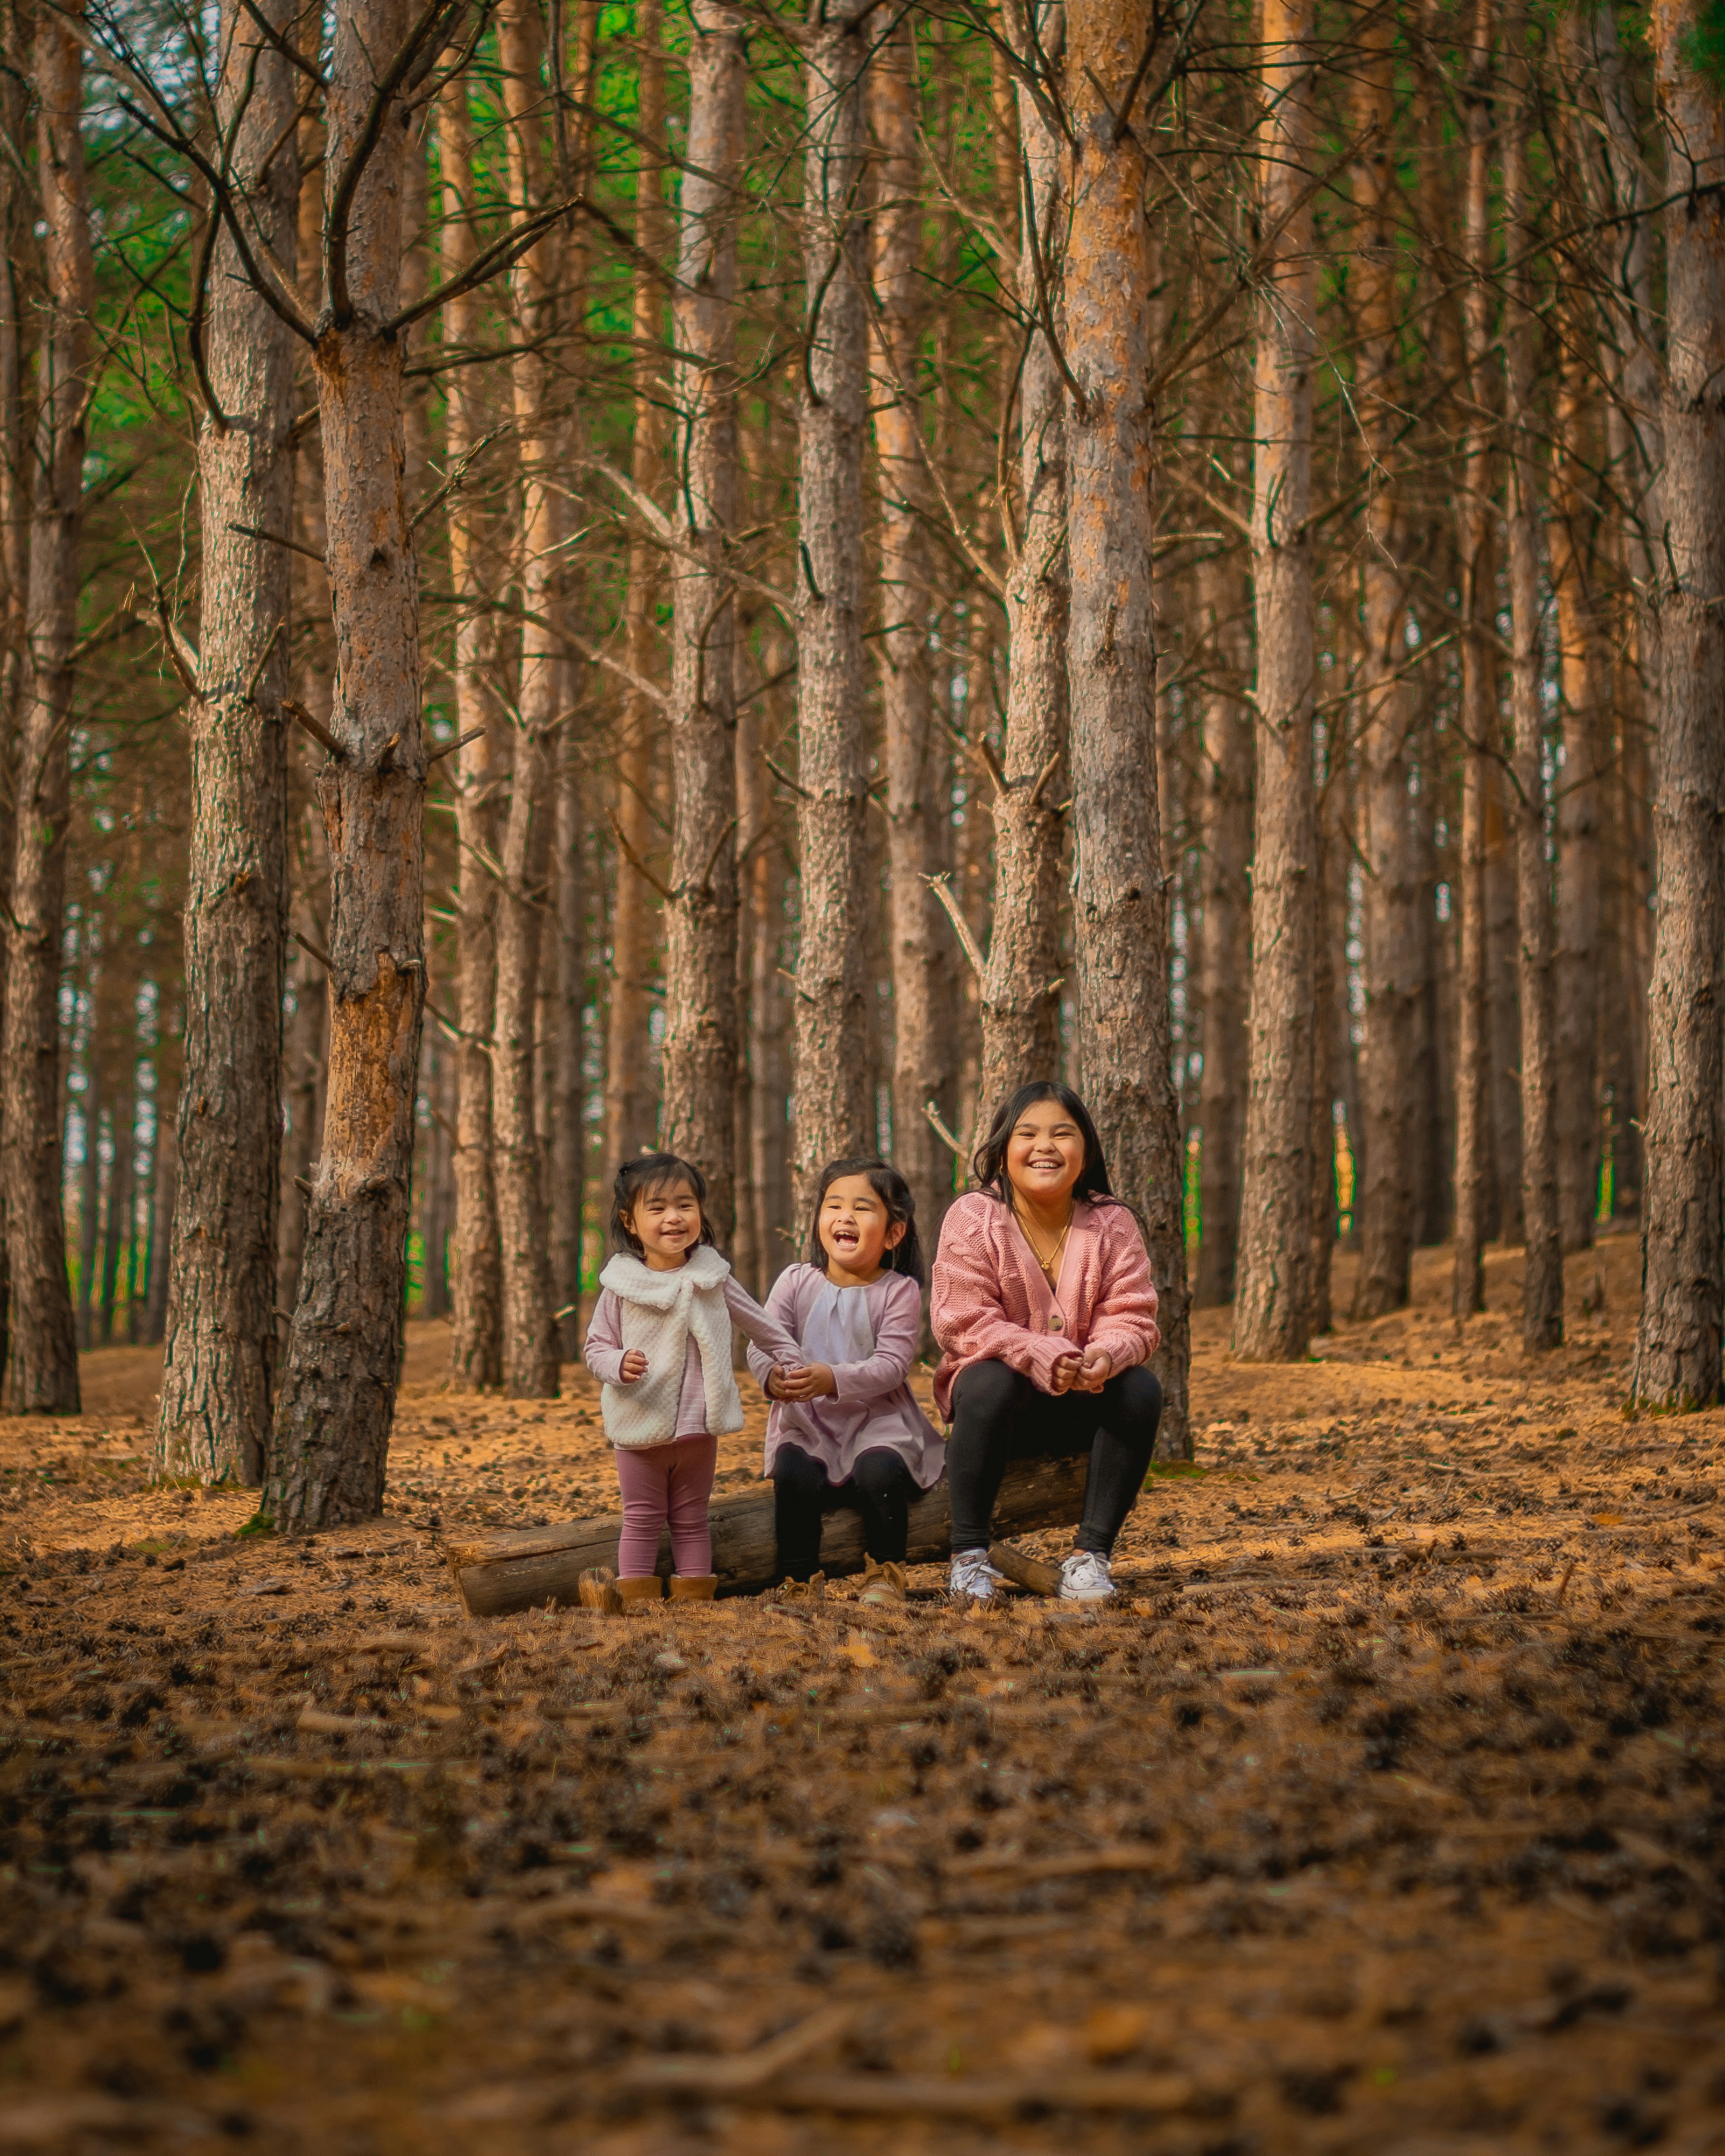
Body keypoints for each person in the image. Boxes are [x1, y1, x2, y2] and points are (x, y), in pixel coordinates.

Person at [930, 1081, 1163, 1606]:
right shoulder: (973, 1217)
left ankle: (1090, 1557)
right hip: (995, 1413)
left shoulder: (1112, 1222)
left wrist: (1105, 1356)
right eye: (1027, 1133)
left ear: (1085, 1150)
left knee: (1141, 1390)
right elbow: (959, 1320)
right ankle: (968, 1558)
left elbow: (1134, 1316)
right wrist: (1037, 1353)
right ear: (1003, 1150)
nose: (1045, 1146)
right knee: (988, 1379)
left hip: (1082, 1405)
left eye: (1062, 1133)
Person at [583, 1153, 803, 1604]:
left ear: (701, 1212)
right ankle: (638, 1600)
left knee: (691, 1516)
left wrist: (790, 1359)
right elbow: (595, 1348)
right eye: (657, 1207)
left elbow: (761, 1325)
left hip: (699, 1426)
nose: (673, 1217)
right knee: (641, 1515)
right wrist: (617, 1363)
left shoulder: (711, 1277)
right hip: (639, 1424)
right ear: (630, 1221)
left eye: (685, 1205)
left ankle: (694, 1603)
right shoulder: (621, 1285)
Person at [748, 1157, 945, 1606]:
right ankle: (798, 1578)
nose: (844, 1217)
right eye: (833, 1205)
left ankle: (884, 1571)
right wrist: (773, 1377)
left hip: (879, 1422)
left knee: (880, 1470)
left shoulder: (899, 1291)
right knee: (793, 1472)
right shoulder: (796, 1281)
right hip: (808, 1422)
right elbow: (760, 1343)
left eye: (862, 1208)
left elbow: (892, 1365)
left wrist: (830, 1378)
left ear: (894, 1232)